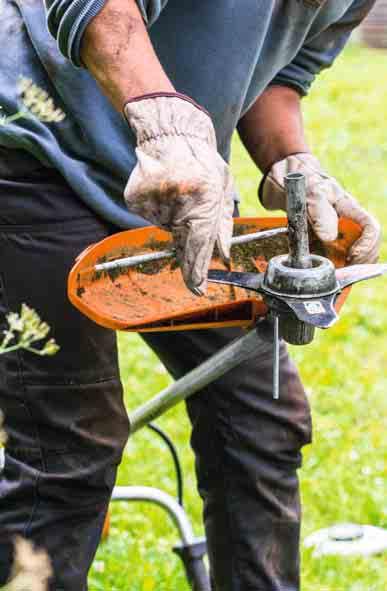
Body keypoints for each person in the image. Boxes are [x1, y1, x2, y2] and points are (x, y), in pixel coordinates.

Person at [0, 1, 381, 589]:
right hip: (33, 148)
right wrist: (163, 123)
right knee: (68, 448)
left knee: (260, 419)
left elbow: (275, 75)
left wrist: (290, 160)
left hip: (180, 183)